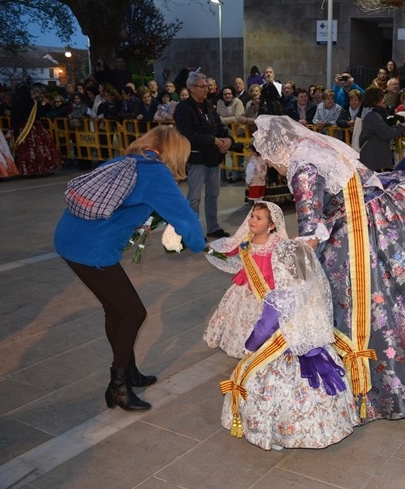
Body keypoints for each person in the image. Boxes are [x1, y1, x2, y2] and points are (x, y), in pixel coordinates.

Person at [252, 115, 405, 422]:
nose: (271, 165)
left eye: (268, 158)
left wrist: (295, 278)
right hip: (390, 213)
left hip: (361, 229)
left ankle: (384, 384)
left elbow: (309, 231)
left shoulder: (302, 167)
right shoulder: (319, 148)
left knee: (363, 299)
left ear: (277, 149)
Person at [54, 126, 207, 412]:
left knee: (116, 309)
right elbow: (186, 219)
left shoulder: (124, 161)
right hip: (91, 250)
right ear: (176, 153)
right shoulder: (156, 173)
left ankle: (130, 371)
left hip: (69, 239)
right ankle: (118, 387)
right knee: (134, 313)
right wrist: (200, 246)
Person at [220, 239, 359, 451]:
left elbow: (264, 328)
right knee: (317, 395)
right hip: (316, 350)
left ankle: (279, 435)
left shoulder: (279, 298)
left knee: (276, 395)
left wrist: (250, 346)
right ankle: (326, 428)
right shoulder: (314, 288)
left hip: (283, 353)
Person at [204, 202, 288, 357]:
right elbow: (228, 250)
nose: (252, 220)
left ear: (271, 225)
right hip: (245, 288)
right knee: (240, 317)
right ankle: (241, 345)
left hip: (267, 289)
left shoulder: (277, 242)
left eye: (258, 218)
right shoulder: (246, 240)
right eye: (252, 216)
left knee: (264, 320)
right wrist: (207, 249)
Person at [174, 71, 233, 238]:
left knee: (213, 194)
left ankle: (213, 227)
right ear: (192, 88)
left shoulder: (208, 105)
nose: (207, 89)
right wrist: (213, 140)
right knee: (194, 196)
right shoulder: (183, 108)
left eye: (207, 86)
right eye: (203, 86)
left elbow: (219, 127)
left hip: (213, 157)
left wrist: (228, 139)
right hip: (197, 157)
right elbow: (187, 134)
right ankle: (193, 231)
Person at [10, 84, 61, 176]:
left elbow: (14, 116)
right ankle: (40, 168)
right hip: (33, 127)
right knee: (39, 147)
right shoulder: (33, 102)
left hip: (21, 128)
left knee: (23, 149)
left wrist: (12, 128)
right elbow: (39, 114)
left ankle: (25, 169)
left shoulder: (16, 102)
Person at [357, 87, 405, 172]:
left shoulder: (371, 113)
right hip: (372, 157)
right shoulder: (372, 115)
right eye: (382, 97)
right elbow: (387, 133)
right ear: (376, 100)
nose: (384, 100)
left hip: (374, 155)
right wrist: (400, 127)